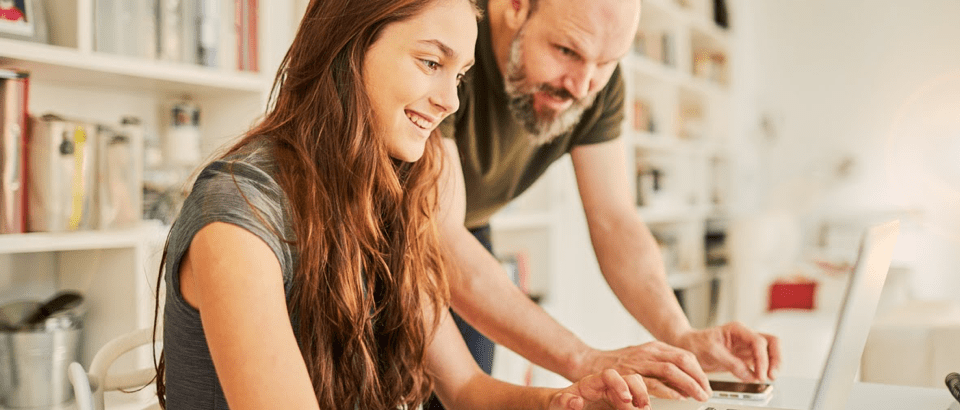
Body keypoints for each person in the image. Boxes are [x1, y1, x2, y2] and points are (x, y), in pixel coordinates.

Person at [150, 0, 654, 408]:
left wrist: (560, 402)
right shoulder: (240, 219)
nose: (451, 102)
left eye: (458, 76)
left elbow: (467, 391)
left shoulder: (394, 203)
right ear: (349, 46)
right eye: (431, 63)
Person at [430, 0, 782, 405]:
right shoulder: (453, 42)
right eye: (566, 51)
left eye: (607, 62)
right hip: (398, 223)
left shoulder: (597, 84)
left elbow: (615, 221)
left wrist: (679, 335)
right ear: (516, 6)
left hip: (468, 226)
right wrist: (584, 359)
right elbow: (441, 236)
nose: (581, 87)